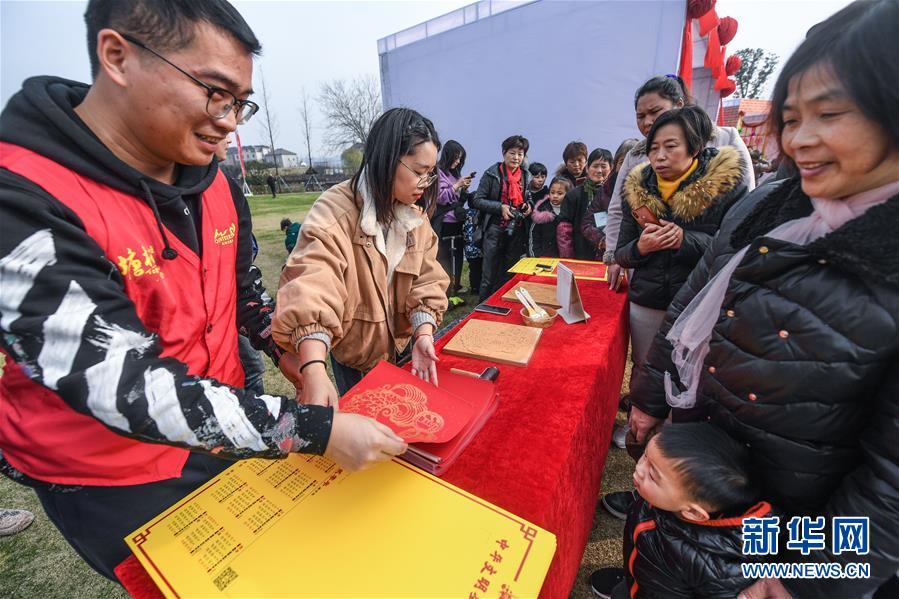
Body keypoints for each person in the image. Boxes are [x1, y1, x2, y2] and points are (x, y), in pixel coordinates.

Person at [0, 0, 402, 582]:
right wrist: (313, 430)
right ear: (117, 56)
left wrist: (302, 357)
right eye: (214, 92)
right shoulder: (23, 196)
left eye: (241, 102)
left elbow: (245, 296)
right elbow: (123, 385)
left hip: (225, 430)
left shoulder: (215, 180)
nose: (231, 120)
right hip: (110, 472)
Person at [628, 2, 899, 596]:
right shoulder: (773, 204)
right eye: (792, 117)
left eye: (828, 114)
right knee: (669, 554)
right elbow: (691, 306)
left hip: (789, 523)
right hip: (701, 448)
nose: (800, 139)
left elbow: (891, 483)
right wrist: (649, 397)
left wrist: (808, 577)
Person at [273, 107, 450, 401]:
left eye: (431, 174)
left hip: (403, 346)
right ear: (387, 159)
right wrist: (314, 367)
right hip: (356, 356)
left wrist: (423, 333)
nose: (425, 183)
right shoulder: (334, 211)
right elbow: (314, 283)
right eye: (419, 172)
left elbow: (427, 278)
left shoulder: (413, 215)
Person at [602, 75, 755, 292]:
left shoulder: (724, 140)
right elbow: (618, 209)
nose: (647, 122)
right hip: (649, 278)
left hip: (704, 275)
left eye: (655, 112)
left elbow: (744, 212)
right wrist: (615, 256)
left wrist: (687, 239)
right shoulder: (636, 155)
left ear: (679, 105)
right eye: (640, 116)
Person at [590, 423, 774, 599]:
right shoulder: (668, 502)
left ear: (694, 513)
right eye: (646, 456)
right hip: (646, 575)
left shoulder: (721, 569)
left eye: (653, 476)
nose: (639, 469)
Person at [216, 138, 266, 396]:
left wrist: (277, 347)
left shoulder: (228, 192)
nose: (228, 127)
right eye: (217, 100)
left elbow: (243, 285)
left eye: (235, 108)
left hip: (228, 386)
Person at [471, 135, 533, 301]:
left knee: (509, 270)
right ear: (504, 153)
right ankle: (483, 306)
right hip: (494, 228)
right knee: (489, 273)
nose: (516, 157)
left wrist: (528, 206)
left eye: (520, 154)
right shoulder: (492, 174)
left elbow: (528, 197)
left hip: (516, 229)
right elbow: (477, 200)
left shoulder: (526, 175)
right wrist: (500, 207)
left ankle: (503, 302)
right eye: (512, 153)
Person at [433, 140, 473, 298]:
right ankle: (445, 289)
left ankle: (455, 285)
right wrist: (457, 185)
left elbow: (456, 198)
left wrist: (463, 187)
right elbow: (441, 197)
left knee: (457, 256)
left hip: (457, 221)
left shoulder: (453, 173)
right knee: (444, 257)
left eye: (460, 159)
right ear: (447, 155)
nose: (457, 162)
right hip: (444, 223)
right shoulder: (438, 172)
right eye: (455, 158)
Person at [557, 148, 613, 260]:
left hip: (609, 254)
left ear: (611, 168)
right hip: (580, 254)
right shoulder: (574, 195)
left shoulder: (615, 194)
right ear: (587, 168)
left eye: (603, 166)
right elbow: (564, 230)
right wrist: (568, 258)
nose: (599, 170)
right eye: (595, 166)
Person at [529, 176, 570, 258]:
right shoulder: (541, 211)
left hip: (567, 259)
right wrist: (536, 257)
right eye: (552, 192)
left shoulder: (571, 211)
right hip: (545, 258)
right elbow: (534, 237)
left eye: (560, 193)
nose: (555, 196)